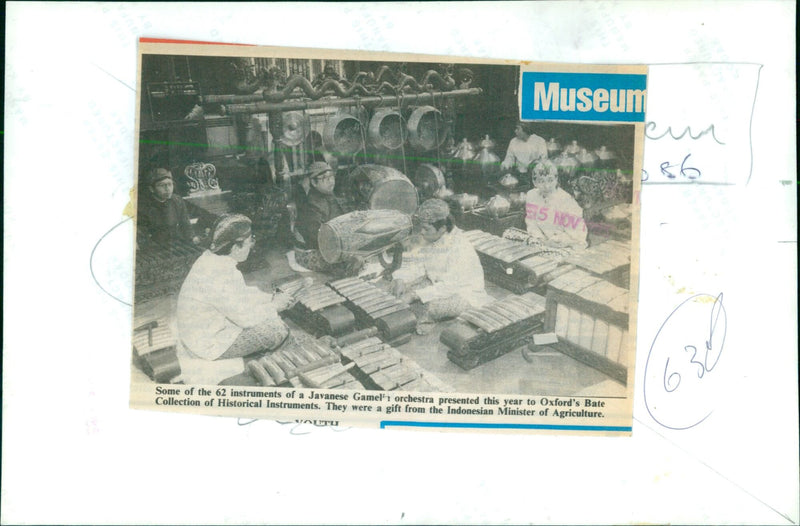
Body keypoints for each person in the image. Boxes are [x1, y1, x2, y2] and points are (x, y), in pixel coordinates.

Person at [176, 214, 294, 383]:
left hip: (201, 331)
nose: (251, 246)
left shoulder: (213, 259)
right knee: (277, 329)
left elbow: (240, 295)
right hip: (206, 343)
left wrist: (270, 298)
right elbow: (245, 319)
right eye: (249, 242)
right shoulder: (219, 273)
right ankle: (274, 369)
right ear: (236, 247)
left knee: (270, 317)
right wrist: (274, 306)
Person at [391, 199, 491, 334]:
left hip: (463, 293)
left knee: (427, 307)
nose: (421, 232)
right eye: (421, 227)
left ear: (442, 228)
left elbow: (449, 286)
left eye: (426, 228)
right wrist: (400, 279)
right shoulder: (430, 237)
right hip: (435, 283)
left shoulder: (460, 247)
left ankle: (422, 320)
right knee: (395, 290)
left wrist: (415, 295)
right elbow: (416, 264)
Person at [294, 161, 352, 272]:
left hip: (332, 242)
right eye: (325, 178)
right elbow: (318, 237)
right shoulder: (312, 204)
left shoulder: (330, 195)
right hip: (313, 250)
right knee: (351, 262)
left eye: (332, 177)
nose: (331, 181)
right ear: (314, 183)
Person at [524, 160, 587, 253]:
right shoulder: (531, 195)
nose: (547, 186)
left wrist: (556, 241)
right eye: (541, 181)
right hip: (542, 243)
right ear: (534, 182)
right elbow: (531, 222)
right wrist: (540, 239)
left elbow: (578, 235)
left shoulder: (566, 201)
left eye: (550, 180)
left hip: (567, 245)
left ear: (556, 179)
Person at [137, 167, 199, 249]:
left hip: (177, 244)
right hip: (156, 248)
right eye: (162, 185)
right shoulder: (144, 207)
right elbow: (143, 236)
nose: (167, 189)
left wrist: (192, 237)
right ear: (152, 189)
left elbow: (185, 224)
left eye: (170, 184)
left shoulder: (177, 201)